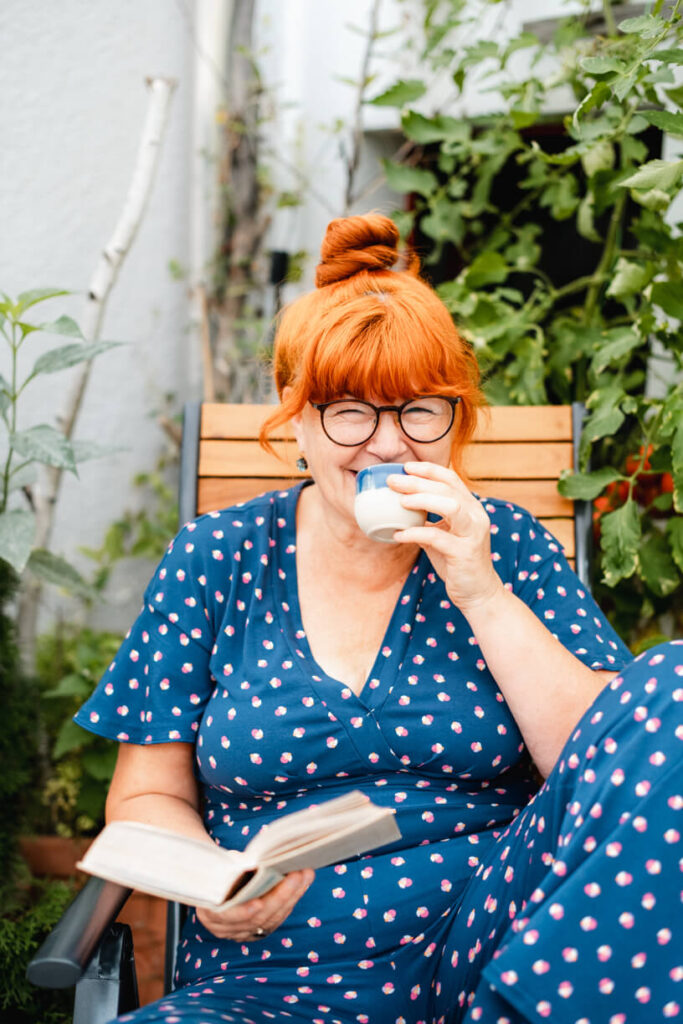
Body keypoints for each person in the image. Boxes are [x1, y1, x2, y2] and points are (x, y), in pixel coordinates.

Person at [75, 213, 682, 1024]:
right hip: (268, 983)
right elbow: (145, 794)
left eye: (418, 411)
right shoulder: (218, 558)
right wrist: (210, 878)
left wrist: (479, 588)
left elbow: (601, 762)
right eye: (350, 412)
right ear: (295, 419)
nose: (389, 446)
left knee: (668, 684)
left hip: (493, 958)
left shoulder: (504, 549)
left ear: (454, 417)